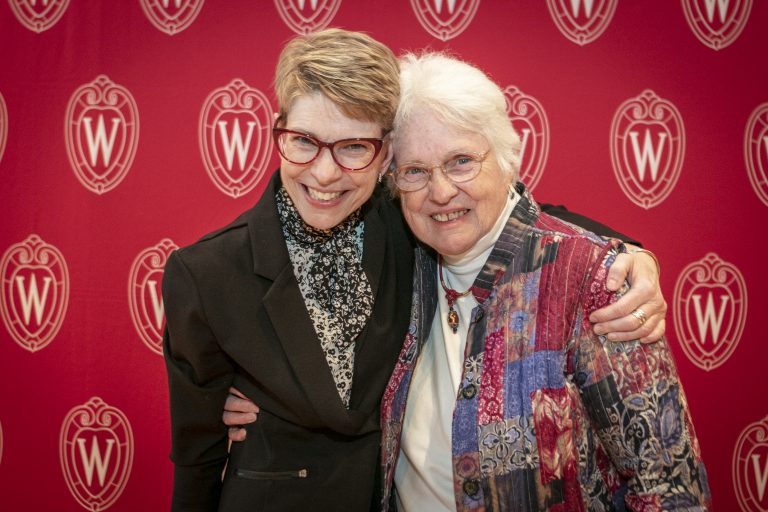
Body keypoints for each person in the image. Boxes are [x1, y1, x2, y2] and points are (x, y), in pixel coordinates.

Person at [164, 29, 666, 512]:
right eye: (304, 141)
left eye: (354, 147)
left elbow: (514, 215)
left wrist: (632, 254)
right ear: (279, 130)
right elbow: (196, 461)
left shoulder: (411, 221)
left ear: (384, 156)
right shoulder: (205, 274)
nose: (323, 172)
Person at [377, 52, 710, 510]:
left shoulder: (593, 279)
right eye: (415, 170)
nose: (439, 192)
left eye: (460, 162)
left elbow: (668, 484)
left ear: (507, 159)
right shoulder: (400, 264)